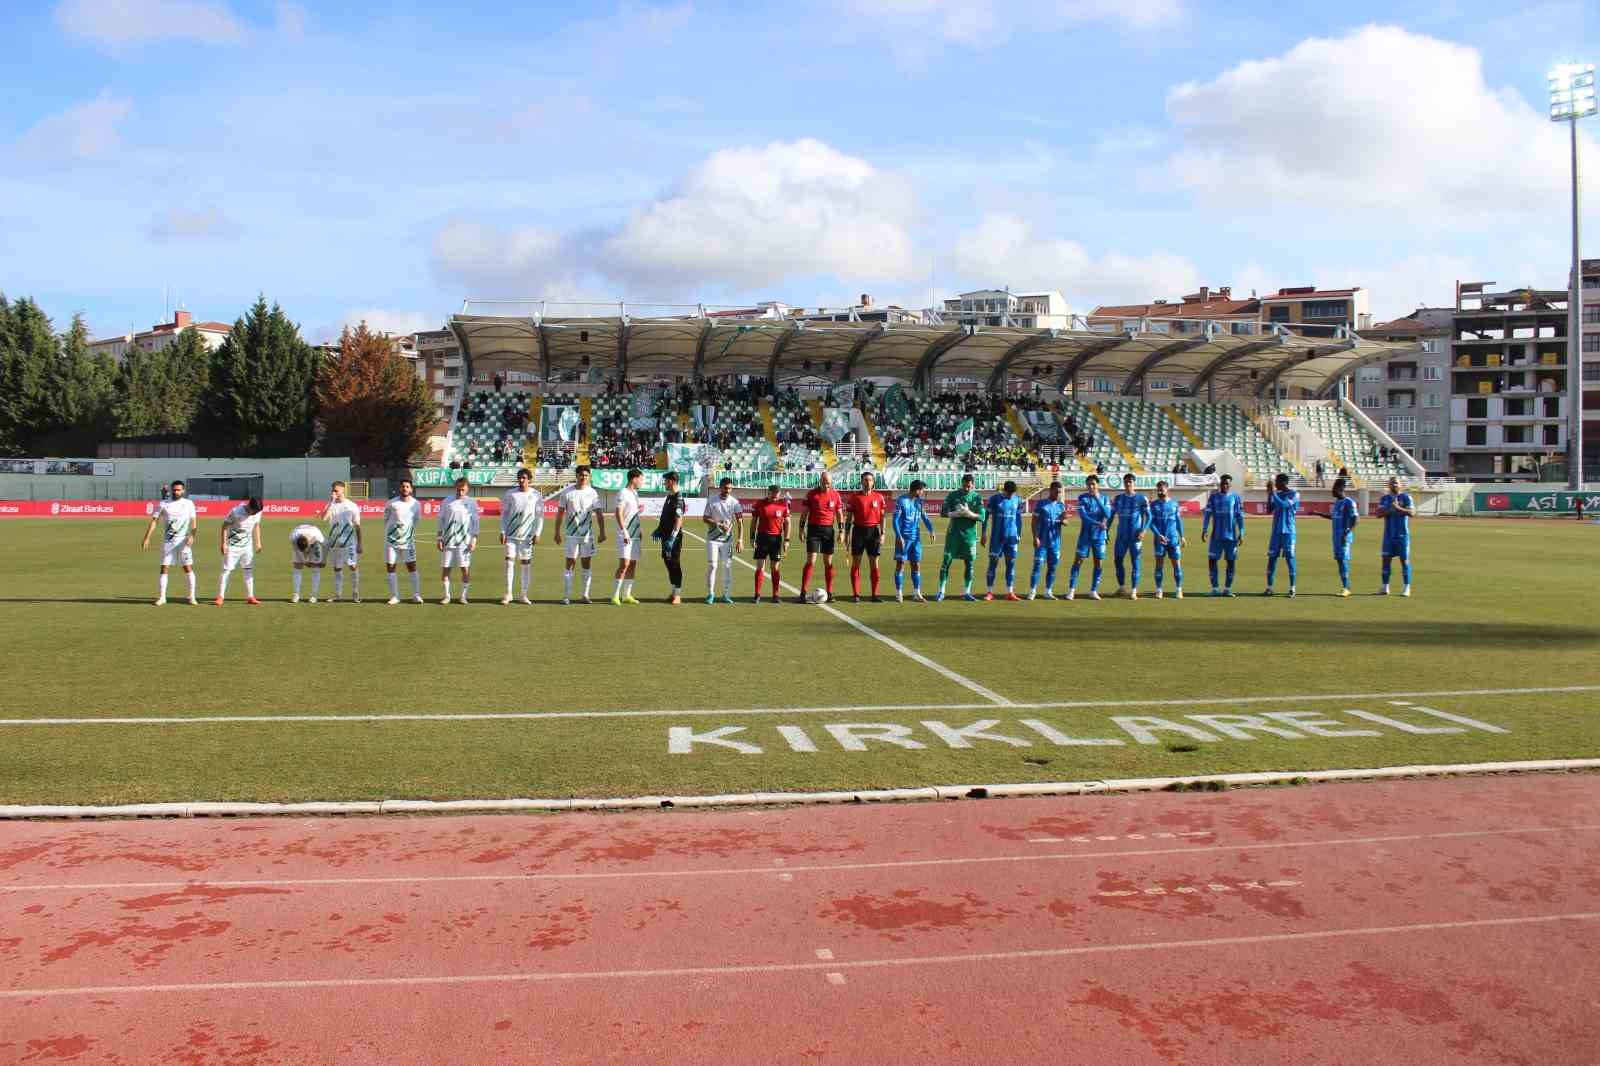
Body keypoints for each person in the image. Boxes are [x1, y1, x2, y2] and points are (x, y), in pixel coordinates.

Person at [141, 479, 198, 606]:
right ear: (171, 490)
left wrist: (192, 536)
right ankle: (162, 597)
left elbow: (194, 521)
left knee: (188, 568)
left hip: (184, 542)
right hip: (168, 542)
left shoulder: (189, 504)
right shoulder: (163, 504)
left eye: (179, 490)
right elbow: (154, 521)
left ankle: (192, 597)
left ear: (183, 491)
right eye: (174, 489)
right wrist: (147, 537)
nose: (176, 492)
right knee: (164, 568)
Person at [555, 465, 606, 604]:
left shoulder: (593, 493)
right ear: (576, 476)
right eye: (581, 475)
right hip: (571, 534)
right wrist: (556, 532)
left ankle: (585, 595)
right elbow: (559, 514)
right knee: (570, 563)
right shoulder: (567, 493)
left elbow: (599, 514)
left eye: (586, 475)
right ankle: (566, 596)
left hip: (587, 535)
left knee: (586, 564)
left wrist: (602, 532)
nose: (584, 477)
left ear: (589, 477)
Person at [499, 467, 545, 605]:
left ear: (529, 480)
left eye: (524, 478)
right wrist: (502, 531)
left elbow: (540, 516)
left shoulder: (536, 495)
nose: (521, 480)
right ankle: (508, 594)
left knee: (525, 565)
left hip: (527, 536)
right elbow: (505, 514)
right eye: (519, 478)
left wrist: (537, 533)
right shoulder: (510, 494)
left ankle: (523, 595)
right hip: (511, 535)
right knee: (509, 563)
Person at [936, 473, 985, 602]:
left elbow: (982, 517)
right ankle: (941, 591)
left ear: (973, 485)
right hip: (953, 535)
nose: (967, 488)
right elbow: (942, 513)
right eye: (965, 485)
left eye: (969, 486)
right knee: (946, 561)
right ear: (962, 483)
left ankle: (967, 592)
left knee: (969, 563)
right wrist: (955, 514)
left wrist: (969, 514)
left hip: (969, 537)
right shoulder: (953, 496)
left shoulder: (976, 497)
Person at [798, 471, 844, 603]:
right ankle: (803, 592)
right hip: (813, 529)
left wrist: (841, 531)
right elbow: (805, 513)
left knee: (828, 563)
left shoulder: (835, 495)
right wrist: (801, 529)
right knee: (811, 561)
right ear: (820, 481)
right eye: (824, 482)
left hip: (828, 530)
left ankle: (829, 593)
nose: (826, 485)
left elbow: (840, 514)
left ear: (831, 483)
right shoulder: (811, 494)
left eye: (828, 483)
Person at [436, 477, 480, 605]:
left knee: (465, 569)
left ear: (467, 489)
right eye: (459, 489)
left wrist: (474, 539)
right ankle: (447, 596)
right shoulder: (447, 501)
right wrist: (439, 537)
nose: (461, 492)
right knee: (446, 569)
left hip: (464, 542)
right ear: (455, 487)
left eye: (463, 490)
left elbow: (476, 522)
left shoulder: (471, 502)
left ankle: (463, 596)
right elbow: (441, 520)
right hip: (448, 541)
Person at [1066, 474, 1111, 600]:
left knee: (1099, 564)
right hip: (1085, 535)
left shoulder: (1105, 498)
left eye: (1093, 484)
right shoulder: (1082, 498)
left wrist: (1097, 500)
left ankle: (1093, 591)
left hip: (1100, 537)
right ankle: (1071, 590)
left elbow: (1107, 513)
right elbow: (1084, 517)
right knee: (1078, 561)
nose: (1091, 486)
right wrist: (1098, 523)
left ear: (1098, 485)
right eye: (1089, 484)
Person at [846, 471, 887, 603]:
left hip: (873, 532)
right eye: (865, 480)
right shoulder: (854, 497)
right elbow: (849, 518)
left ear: (873, 482)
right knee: (856, 563)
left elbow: (882, 517)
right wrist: (846, 534)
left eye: (870, 480)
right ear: (861, 481)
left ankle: (875, 595)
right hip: (858, 531)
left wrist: (883, 533)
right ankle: (856, 594)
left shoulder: (879, 497)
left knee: (874, 563)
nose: (867, 482)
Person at [1201, 472, 1244, 597]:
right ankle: (1215, 588)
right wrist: (1204, 529)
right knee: (1212, 560)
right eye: (1223, 483)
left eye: (1227, 484)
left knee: (1231, 561)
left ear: (1230, 485)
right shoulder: (1213, 497)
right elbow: (1207, 514)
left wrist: (1241, 532)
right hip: (1216, 536)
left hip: (1231, 537)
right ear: (1220, 484)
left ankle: (1227, 589)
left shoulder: (1235, 497)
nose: (1225, 486)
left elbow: (1239, 516)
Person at [892, 479, 935, 603]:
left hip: (916, 538)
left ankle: (917, 593)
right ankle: (899, 593)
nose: (923, 492)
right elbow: (895, 520)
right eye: (922, 490)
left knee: (916, 564)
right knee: (901, 564)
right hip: (903, 539)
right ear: (917, 490)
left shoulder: (919, 502)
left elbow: (925, 518)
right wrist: (899, 536)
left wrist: (931, 530)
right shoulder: (901, 501)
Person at [215, 496, 264, 605]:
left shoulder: (257, 513)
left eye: (257, 512)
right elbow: (224, 527)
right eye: (254, 511)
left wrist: (258, 542)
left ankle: (250, 596)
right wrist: (223, 543)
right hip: (233, 547)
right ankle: (220, 597)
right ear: (249, 506)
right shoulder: (236, 511)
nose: (255, 514)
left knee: (248, 570)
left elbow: (256, 526)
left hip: (247, 547)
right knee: (226, 571)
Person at [384, 478, 425, 605]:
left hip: (408, 542)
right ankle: (395, 596)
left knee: (412, 567)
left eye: (407, 486)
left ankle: (416, 595)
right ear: (399, 488)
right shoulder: (391, 503)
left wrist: (407, 534)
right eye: (403, 486)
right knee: (391, 567)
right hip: (391, 541)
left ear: (411, 489)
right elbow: (386, 519)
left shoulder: (416, 504)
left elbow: (417, 520)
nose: (405, 488)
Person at [748, 483, 791, 604]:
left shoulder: (783, 505)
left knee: (775, 568)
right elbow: (754, 522)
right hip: (762, 538)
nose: (774, 497)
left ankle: (775, 595)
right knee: (760, 567)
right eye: (773, 495)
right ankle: (757, 594)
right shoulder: (760, 504)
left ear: (779, 494)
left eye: (777, 495)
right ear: (768, 493)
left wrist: (786, 540)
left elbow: (788, 523)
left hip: (776, 539)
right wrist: (752, 538)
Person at [1110, 472, 1151, 599]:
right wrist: (1106, 530)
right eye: (1126, 481)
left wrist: (1144, 530)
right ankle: (1122, 587)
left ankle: (1134, 590)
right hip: (1121, 536)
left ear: (1134, 483)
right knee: (1117, 560)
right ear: (1124, 483)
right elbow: (1111, 515)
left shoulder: (1141, 498)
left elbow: (1149, 516)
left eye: (1130, 482)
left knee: (1135, 562)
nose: (1128, 484)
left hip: (1135, 537)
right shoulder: (1118, 499)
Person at [981, 480, 1024, 601]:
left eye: (1013, 493)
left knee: (1011, 564)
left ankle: (1010, 592)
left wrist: (1019, 534)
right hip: (997, 538)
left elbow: (1019, 519)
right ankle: (989, 592)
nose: (1011, 495)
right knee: (993, 564)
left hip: (1012, 538)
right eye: (1009, 493)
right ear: (1004, 490)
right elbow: (985, 517)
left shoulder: (1017, 500)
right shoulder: (994, 499)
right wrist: (984, 533)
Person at [321, 480, 363, 603]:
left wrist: (360, 543)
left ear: (343, 490)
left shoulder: (351, 506)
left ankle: (355, 594)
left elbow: (357, 526)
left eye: (336, 491)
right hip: (334, 543)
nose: (334, 493)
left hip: (349, 543)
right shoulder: (330, 504)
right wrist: (331, 501)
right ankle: (337, 595)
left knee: (353, 566)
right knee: (337, 569)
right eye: (333, 490)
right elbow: (324, 518)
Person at [703, 477, 743, 604]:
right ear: (720, 487)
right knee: (713, 566)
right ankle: (710, 594)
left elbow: (740, 522)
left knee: (727, 566)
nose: (728, 490)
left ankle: (726, 594)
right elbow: (705, 518)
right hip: (713, 539)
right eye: (726, 488)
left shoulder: (735, 502)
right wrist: (718, 524)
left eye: (730, 488)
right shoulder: (712, 500)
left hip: (728, 540)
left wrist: (740, 539)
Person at [1027, 480, 1066, 601]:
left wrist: (1064, 521)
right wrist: (1035, 537)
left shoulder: (1061, 506)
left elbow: (1065, 520)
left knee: (1052, 567)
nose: (1058, 494)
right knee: (1037, 566)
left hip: (1055, 543)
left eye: (1060, 492)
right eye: (1056, 492)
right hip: (1042, 542)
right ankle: (1032, 591)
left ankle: (1048, 591)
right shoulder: (1041, 504)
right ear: (1050, 490)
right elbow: (1033, 522)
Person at [611, 468, 645, 606]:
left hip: (635, 534)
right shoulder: (622, 493)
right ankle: (615, 596)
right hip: (625, 535)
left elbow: (634, 514)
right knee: (624, 564)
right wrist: (624, 531)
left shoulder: (635, 493)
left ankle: (626, 595)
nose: (642, 482)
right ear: (634, 478)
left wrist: (640, 529)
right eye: (641, 479)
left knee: (632, 564)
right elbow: (618, 513)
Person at [1264, 472, 1300, 598]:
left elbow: (1284, 505)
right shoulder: (1277, 494)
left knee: (1290, 559)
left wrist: (1273, 493)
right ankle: (1269, 587)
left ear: (1284, 482)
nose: (1276, 485)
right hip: (1276, 531)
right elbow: (1269, 510)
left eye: (1277, 482)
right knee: (1272, 559)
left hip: (1289, 532)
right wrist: (1269, 495)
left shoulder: (1294, 494)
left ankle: (1292, 588)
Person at [1322, 476, 1359, 597]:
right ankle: (1345, 586)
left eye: (1334, 488)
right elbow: (1333, 517)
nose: (1332, 490)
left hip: (1344, 537)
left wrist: (1347, 533)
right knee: (1339, 561)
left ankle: (1347, 588)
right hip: (1336, 537)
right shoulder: (1337, 503)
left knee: (1343, 561)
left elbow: (1355, 519)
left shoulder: (1349, 502)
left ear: (1341, 488)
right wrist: (1318, 514)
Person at [1377, 476, 1414, 597]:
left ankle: (1406, 587)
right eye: (1392, 483)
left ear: (1400, 485)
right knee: (1386, 560)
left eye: (1396, 483)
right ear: (1388, 485)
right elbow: (1379, 514)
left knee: (1404, 561)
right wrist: (1390, 509)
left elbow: (1412, 513)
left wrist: (1398, 508)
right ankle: (1385, 586)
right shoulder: (1384, 499)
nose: (1394, 485)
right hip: (1388, 535)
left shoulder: (1406, 497)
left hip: (1402, 535)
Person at [1148, 480, 1185, 600]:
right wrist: (1158, 535)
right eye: (1158, 490)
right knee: (1159, 565)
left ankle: (1179, 589)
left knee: (1176, 564)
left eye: (1162, 490)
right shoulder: (1153, 505)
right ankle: (1159, 590)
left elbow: (1178, 521)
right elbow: (1150, 523)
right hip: (1159, 540)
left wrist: (1182, 536)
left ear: (1167, 490)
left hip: (1173, 539)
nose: (1160, 492)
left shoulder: (1174, 504)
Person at [653, 470, 685, 604]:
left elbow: (679, 519)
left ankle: (677, 594)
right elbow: (665, 516)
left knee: (674, 564)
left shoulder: (678, 498)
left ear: (671, 481)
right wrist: (659, 529)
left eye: (666, 481)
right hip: (665, 536)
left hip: (674, 538)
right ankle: (673, 592)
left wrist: (672, 538)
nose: (664, 483)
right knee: (668, 563)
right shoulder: (669, 496)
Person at [288, 520, 326, 603]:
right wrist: (304, 561)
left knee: (315, 568)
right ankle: (296, 594)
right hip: (300, 544)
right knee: (297, 566)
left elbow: (325, 546)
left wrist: (324, 560)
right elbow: (296, 550)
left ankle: (314, 595)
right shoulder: (293, 536)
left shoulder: (317, 535)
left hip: (315, 545)